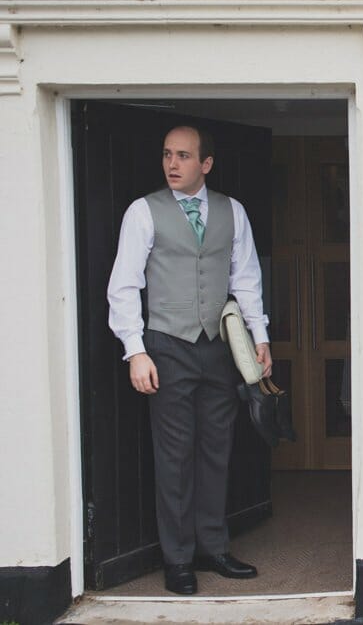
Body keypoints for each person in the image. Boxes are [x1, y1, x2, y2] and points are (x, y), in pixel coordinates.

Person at [107, 125, 272, 595]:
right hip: (167, 345)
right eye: (166, 155)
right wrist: (135, 351)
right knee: (174, 457)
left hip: (218, 347)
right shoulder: (143, 212)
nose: (172, 164)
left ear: (207, 164)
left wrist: (260, 338)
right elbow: (123, 286)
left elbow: (246, 278)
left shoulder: (232, 211)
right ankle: (177, 559)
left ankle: (214, 548)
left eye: (183, 156)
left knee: (216, 451)